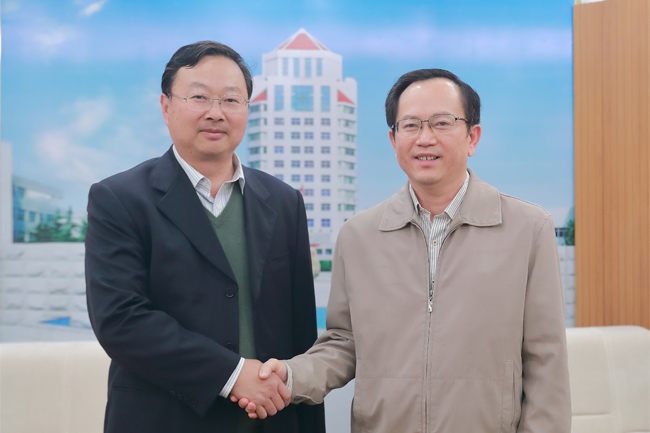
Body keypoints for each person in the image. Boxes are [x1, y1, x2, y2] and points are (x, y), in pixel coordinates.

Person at [241, 69, 571, 433]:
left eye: (442, 123)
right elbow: (344, 343)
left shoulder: (528, 229)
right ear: (393, 139)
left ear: (472, 137)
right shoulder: (359, 236)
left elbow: (546, 359)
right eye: (411, 125)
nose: (425, 138)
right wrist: (290, 376)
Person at [85, 41, 325, 433]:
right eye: (199, 97)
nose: (216, 112)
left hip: (271, 422)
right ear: (166, 107)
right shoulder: (120, 198)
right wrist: (231, 374)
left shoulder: (283, 201)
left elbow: (301, 333)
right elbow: (121, 319)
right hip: (163, 421)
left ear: (247, 109)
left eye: (231, 100)